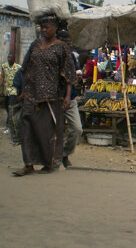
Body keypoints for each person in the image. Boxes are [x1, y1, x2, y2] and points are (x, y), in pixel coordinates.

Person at [12, 14, 76, 176]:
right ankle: (28, 164)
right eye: (42, 27)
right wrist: (22, 90)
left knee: (46, 131)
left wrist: (67, 96)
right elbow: (25, 68)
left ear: (55, 29)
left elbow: (69, 74)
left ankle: (48, 163)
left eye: (47, 27)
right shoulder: (35, 44)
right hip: (30, 94)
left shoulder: (61, 48)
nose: (44, 30)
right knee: (26, 128)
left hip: (51, 97)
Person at [58, 30, 83, 168]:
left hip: (70, 98)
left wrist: (76, 78)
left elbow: (71, 76)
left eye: (69, 43)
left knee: (77, 129)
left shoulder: (72, 57)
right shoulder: (54, 55)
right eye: (65, 42)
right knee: (55, 130)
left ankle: (65, 154)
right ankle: (54, 157)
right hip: (55, 98)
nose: (68, 45)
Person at [0, 53, 21, 133]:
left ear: (14, 59)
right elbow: (2, 76)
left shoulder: (18, 67)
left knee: (11, 108)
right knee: (6, 108)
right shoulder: (4, 66)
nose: (9, 59)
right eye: (8, 57)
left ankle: (9, 127)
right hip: (6, 91)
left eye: (11, 58)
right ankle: (9, 126)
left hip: (14, 91)